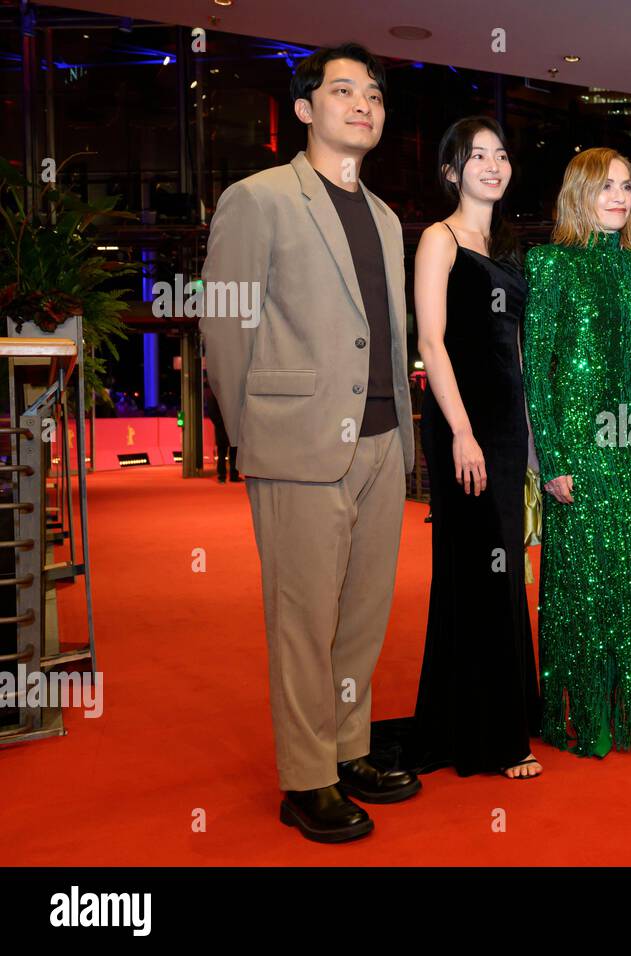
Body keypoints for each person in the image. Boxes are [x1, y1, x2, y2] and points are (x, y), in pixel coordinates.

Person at [200, 42, 421, 844]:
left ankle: (350, 747)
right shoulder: (258, 198)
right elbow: (225, 324)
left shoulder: (389, 216)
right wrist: (254, 436)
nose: (363, 104)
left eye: (373, 95)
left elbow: (386, 337)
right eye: (342, 91)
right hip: (299, 447)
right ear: (304, 109)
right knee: (302, 620)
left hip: (382, 441)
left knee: (362, 618)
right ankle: (306, 778)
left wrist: (403, 443)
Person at [370, 116, 542, 780]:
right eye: (478, 156)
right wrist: (463, 431)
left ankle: (490, 716)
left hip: (505, 427)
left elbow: (516, 350)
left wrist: (527, 434)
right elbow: (432, 343)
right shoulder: (439, 242)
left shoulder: (507, 249)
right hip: (462, 427)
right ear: (451, 171)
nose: (493, 165)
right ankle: (497, 739)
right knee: (481, 571)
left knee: (498, 574)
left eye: (501, 155)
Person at [522, 147, 631, 760]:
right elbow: (537, 370)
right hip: (579, 444)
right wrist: (554, 457)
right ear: (579, 195)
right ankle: (591, 717)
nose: (620, 197)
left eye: (626, 187)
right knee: (585, 584)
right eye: (606, 187)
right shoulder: (548, 264)